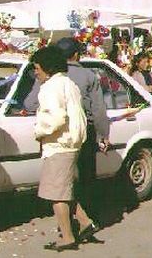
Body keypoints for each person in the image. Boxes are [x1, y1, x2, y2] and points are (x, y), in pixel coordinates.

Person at [24, 38, 110, 235]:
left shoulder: (49, 79)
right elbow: (98, 110)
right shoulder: (89, 75)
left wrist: (40, 127)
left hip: (58, 137)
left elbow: (30, 104)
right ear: (77, 55)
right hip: (83, 132)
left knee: (60, 187)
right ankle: (87, 220)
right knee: (84, 180)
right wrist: (103, 135)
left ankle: (70, 230)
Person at [30, 45, 91, 252]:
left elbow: (55, 118)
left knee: (56, 194)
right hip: (71, 143)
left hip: (59, 144)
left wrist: (39, 130)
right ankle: (85, 222)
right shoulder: (68, 83)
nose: (35, 73)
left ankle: (67, 237)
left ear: (47, 67)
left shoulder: (50, 88)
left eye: (37, 68)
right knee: (64, 189)